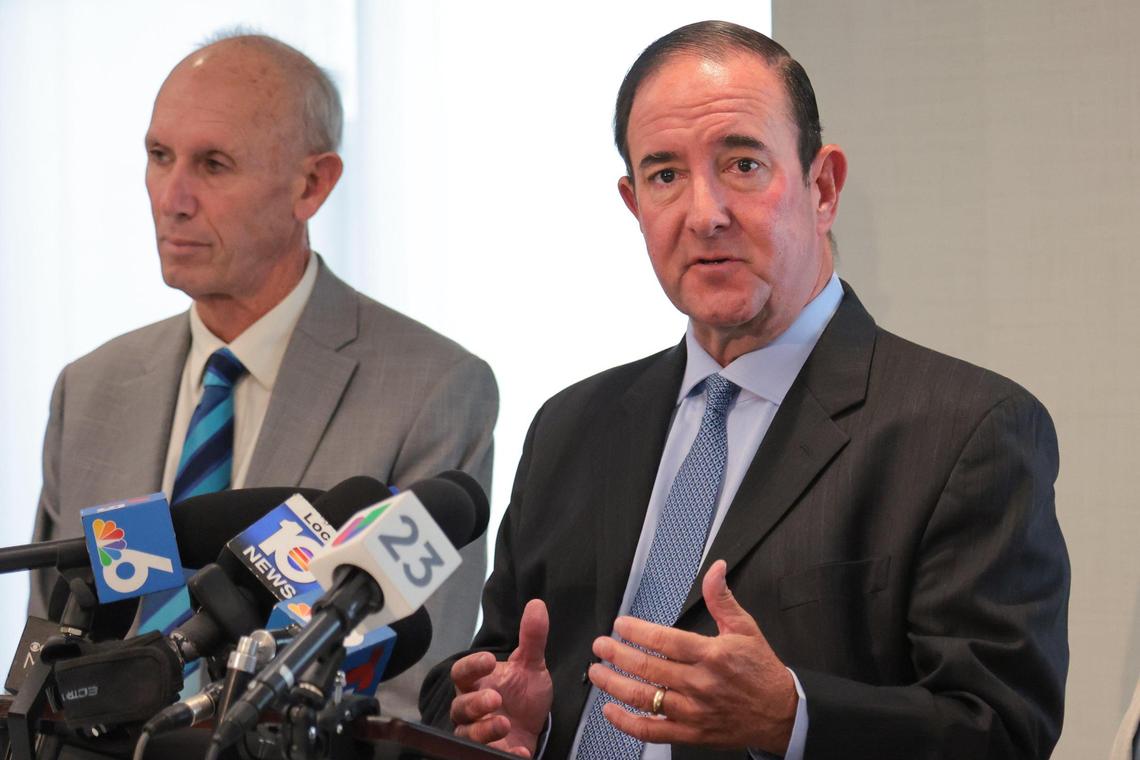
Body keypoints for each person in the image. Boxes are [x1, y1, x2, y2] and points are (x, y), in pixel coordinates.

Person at [420, 20, 1068, 760]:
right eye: (665, 175)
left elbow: (1003, 732)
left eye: (743, 165)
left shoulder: (966, 431)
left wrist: (792, 718)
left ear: (822, 188)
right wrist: (495, 716)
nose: (705, 214)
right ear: (635, 206)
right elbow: (500, 664)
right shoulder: (573, 426)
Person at [29, 33, 498, 722]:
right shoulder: (91, 388)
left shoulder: (432, 391)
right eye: (159, 157)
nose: (173, 197)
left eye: (213, 165)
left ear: (312, 184)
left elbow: (402, 695)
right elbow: (44, 664)